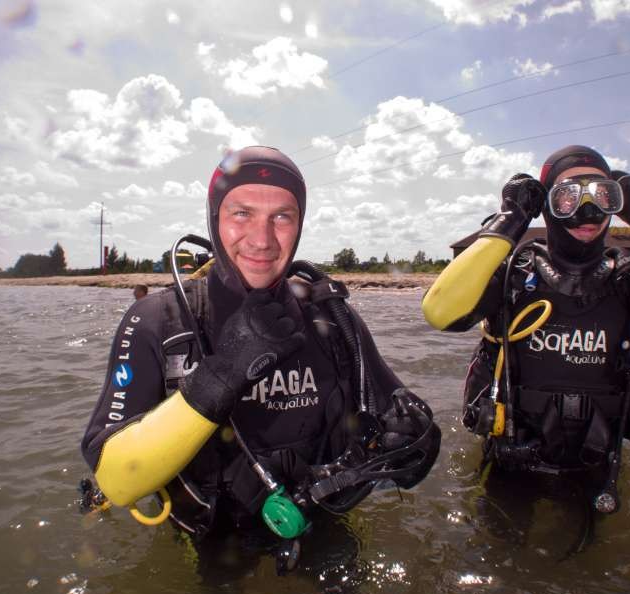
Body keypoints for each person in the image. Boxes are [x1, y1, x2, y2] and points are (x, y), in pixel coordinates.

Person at [82, 146, 440, 562]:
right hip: (206, 545)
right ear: (214, 219)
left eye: (282, 217)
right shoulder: (157, 321)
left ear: (300, 224)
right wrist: (224, 373)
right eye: (241, 213)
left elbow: (394, 415)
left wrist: (415, 446)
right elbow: (113, 477)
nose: (262, 239)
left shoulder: (331, 318)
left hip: (318, 524)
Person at [422, 144, 630, 512]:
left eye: (603, 195)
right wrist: (510, 219)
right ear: (547, 205)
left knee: (608, 565)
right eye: (568, 197)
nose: (588, 211)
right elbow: (440, 312)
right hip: (512, 457)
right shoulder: (513, 275)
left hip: (597, 463)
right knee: (500, 556)